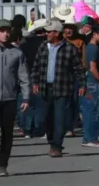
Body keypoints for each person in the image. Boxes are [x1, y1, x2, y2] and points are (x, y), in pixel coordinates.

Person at [0, 19, 30, 177]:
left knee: (7, 133)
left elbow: (24, 77)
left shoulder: (17, 53)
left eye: (8, 31)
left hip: (10, 97)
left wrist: (26, 98)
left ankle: (3, 165)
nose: (5, 34)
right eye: (2, 31)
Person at [31, 19, 85, 158]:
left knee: (60, 119)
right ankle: (51, 141)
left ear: (56, 33)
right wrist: (35, 82)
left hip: (62, 88)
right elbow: (36, 65)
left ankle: (57, 146)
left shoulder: (70, 48)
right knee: (46, 118)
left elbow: (78, 68)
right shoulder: (43, 46)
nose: (46, 34)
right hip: (45, 88)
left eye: (49, 32)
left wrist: (82, 84)